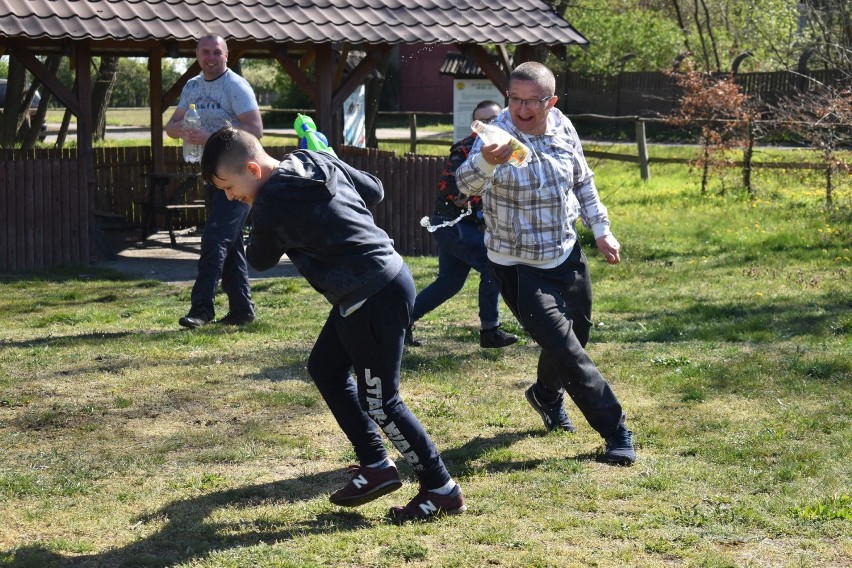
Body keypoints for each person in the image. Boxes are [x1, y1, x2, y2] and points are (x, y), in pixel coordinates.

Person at [200, 126, 467, 521]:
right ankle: (376, 464)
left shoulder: (272, 200)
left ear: (253, 169)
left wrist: (255, 215)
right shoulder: (310, 159)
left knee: (381, 401)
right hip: (377, 283)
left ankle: (441, 489)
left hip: (372, 294)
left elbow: (259, 259)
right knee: (325, 367)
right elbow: (373, 190)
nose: (229, 197)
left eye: (228, 186)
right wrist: (330, 159)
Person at [455, 62, 636, 465]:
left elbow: (582, 179)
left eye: (531, 101)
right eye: (514, 99)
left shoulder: (561, 126)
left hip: (566, 253)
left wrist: (602, 229)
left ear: (550, 102)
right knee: (567, 351)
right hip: (517, 266)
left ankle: (545, 395)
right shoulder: (496, 134)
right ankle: (615, 430)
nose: (521, 109)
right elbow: (463, 186)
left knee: (578, 333)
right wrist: (485, 161)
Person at [165, 33, 263, 329]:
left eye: (216, 52)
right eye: (205, 52)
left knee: (214, 239)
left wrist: (210, 137)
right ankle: (242, 310)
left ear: (226, 55)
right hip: (212, 175)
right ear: (196, 55)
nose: (211, 58)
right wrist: (183, 131)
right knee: (229, 244)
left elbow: (255, 130)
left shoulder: (235, 86)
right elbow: (170, 126)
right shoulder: (192, 87)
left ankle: (202, 308)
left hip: (241, 176)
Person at [406, 100, 518, 350]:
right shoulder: (467, 149)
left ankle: (399, 323)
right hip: (451, 224)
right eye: (485, 121)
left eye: (495, 119)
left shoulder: (509, 150)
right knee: (493, 268)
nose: (491, 124)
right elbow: (449, 188)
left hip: (462, 226)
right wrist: (464, 195)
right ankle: (490, 331)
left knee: (449, 283)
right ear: (476, 126)